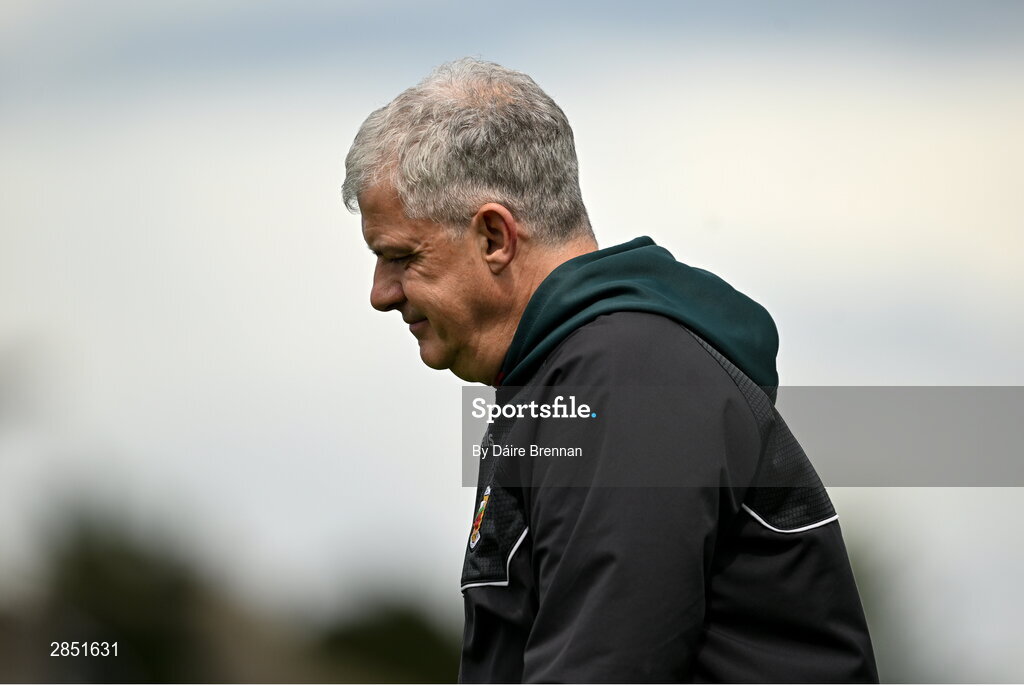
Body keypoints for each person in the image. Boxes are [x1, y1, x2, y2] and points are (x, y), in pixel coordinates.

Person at [343, 57, 878, 683]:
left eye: (401, 256)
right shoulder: (585, 377)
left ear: (494, 237)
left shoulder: (624, 385)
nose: (381, 293)